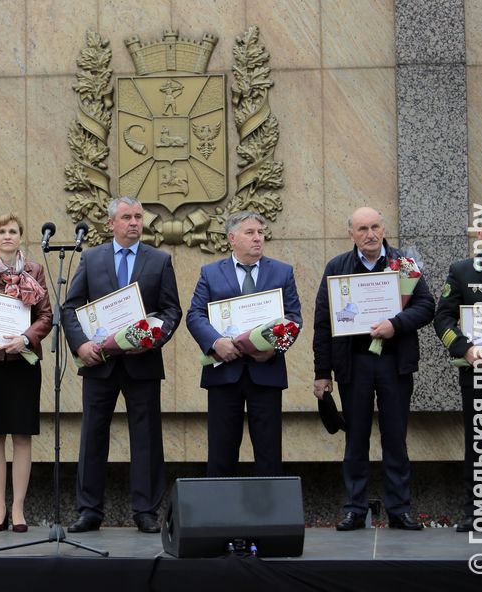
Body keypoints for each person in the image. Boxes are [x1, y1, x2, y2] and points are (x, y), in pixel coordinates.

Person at [61, 196, 182, 533]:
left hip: (142, 364)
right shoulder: (91, 258)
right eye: (126, 217)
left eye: (138, 217)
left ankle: (146, 511)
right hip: (98, 363)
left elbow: (172, 310)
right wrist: (80, 344)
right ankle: (89, 511)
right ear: (111, 223)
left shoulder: (159, 260)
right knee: (93, 435)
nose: (134, 223)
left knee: (146, 437)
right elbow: (70, 308)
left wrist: (153, 338)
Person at [312, 207, 433, 531]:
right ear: (351, 234)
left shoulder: (402, 264)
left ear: (383, 228)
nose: (370, 234)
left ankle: (399, 509)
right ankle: (355, 509)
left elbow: (427, 306)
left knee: (395, 437)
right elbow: (323, 323)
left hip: (394, 362)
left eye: (375, 227)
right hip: (354, 363)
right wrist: (322, 373)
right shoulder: (337, 267)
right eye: (363, 228)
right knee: (355, 439)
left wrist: (396, 324)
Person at [186, 211, 302, 477]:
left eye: (260, 232)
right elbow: (195, 315)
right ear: (232, 238)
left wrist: (274, 348)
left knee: (269, 450)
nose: (258, 238)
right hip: (224, 372)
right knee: (221, 450)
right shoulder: (210, 273)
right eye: (250, 233)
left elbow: (294, 318)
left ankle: (270, 504)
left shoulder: (282, 272)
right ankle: (220, 504)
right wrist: (216, 342)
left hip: (267, 371)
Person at [0, 213, 51, 532]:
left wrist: (25, 338)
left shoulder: (35, 271)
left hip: (24, 361)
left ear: (20, 237)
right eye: (1, 231)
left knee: (22, 434)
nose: (7, 236)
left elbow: (45, 315)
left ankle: (18, 510)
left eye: (13, 231)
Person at [433, 207, 482, 532]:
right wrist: (464, 347)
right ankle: (475, 513)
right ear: (481, 234)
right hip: (477, 373)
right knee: (479, 445)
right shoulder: (462, 271)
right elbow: (443, 317)